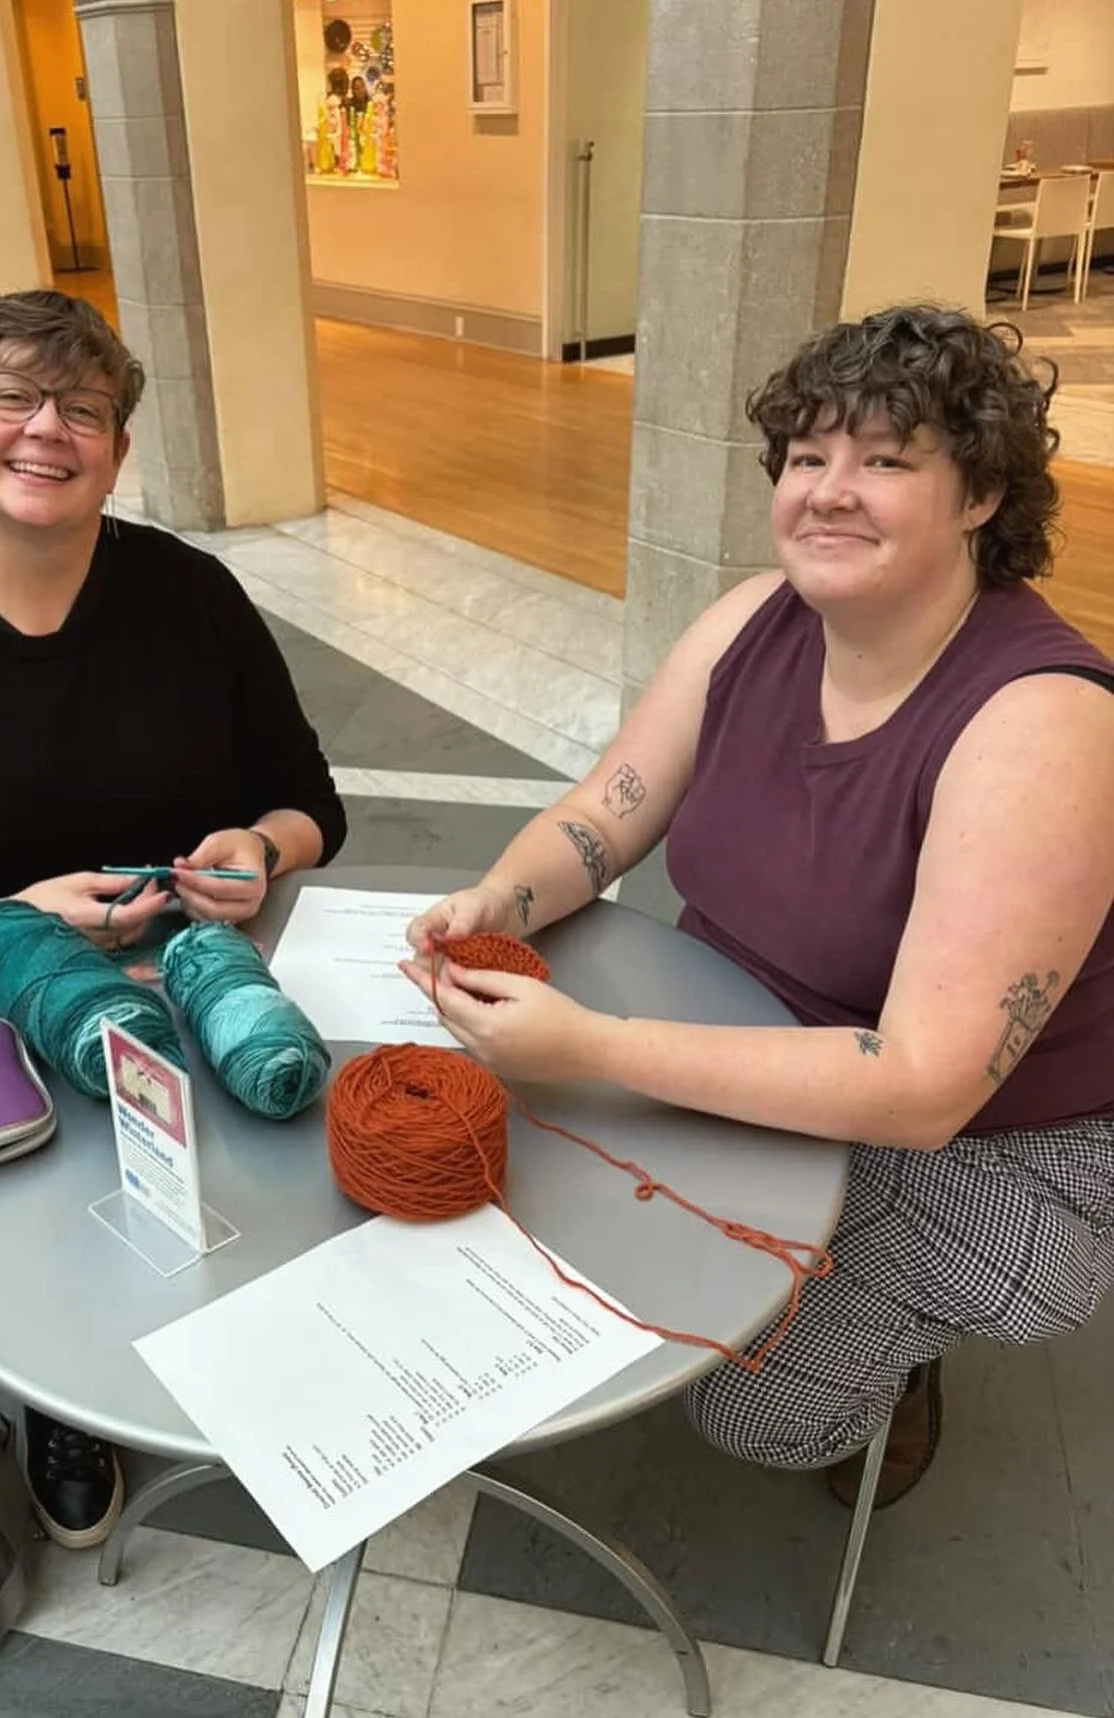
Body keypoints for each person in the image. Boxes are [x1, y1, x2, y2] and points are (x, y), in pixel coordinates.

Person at [403, 304, 1114, 1509]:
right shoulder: (753, 622)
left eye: (887, 461)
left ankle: (908, 1348)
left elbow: (924, 1086)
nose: (831, 491)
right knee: (532, 1187)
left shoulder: (1041, 725)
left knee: (754, 1415)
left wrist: (598, 1050)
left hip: (996, 1158)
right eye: (808, 459)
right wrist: (503, 897)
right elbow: (607, 814)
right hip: (739, 1039)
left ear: (981, 497)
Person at [0, 288, 347, 1550]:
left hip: (185, 961)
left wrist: (260, 850)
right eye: (15, 400)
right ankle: (53, 1388)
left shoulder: (189, 596)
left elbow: (309, 802)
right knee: (49, 1186)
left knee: (277, 1123)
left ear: (117, 447)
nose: (48, 431)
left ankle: (254, 1338)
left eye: (84, 410)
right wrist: (7, 919)